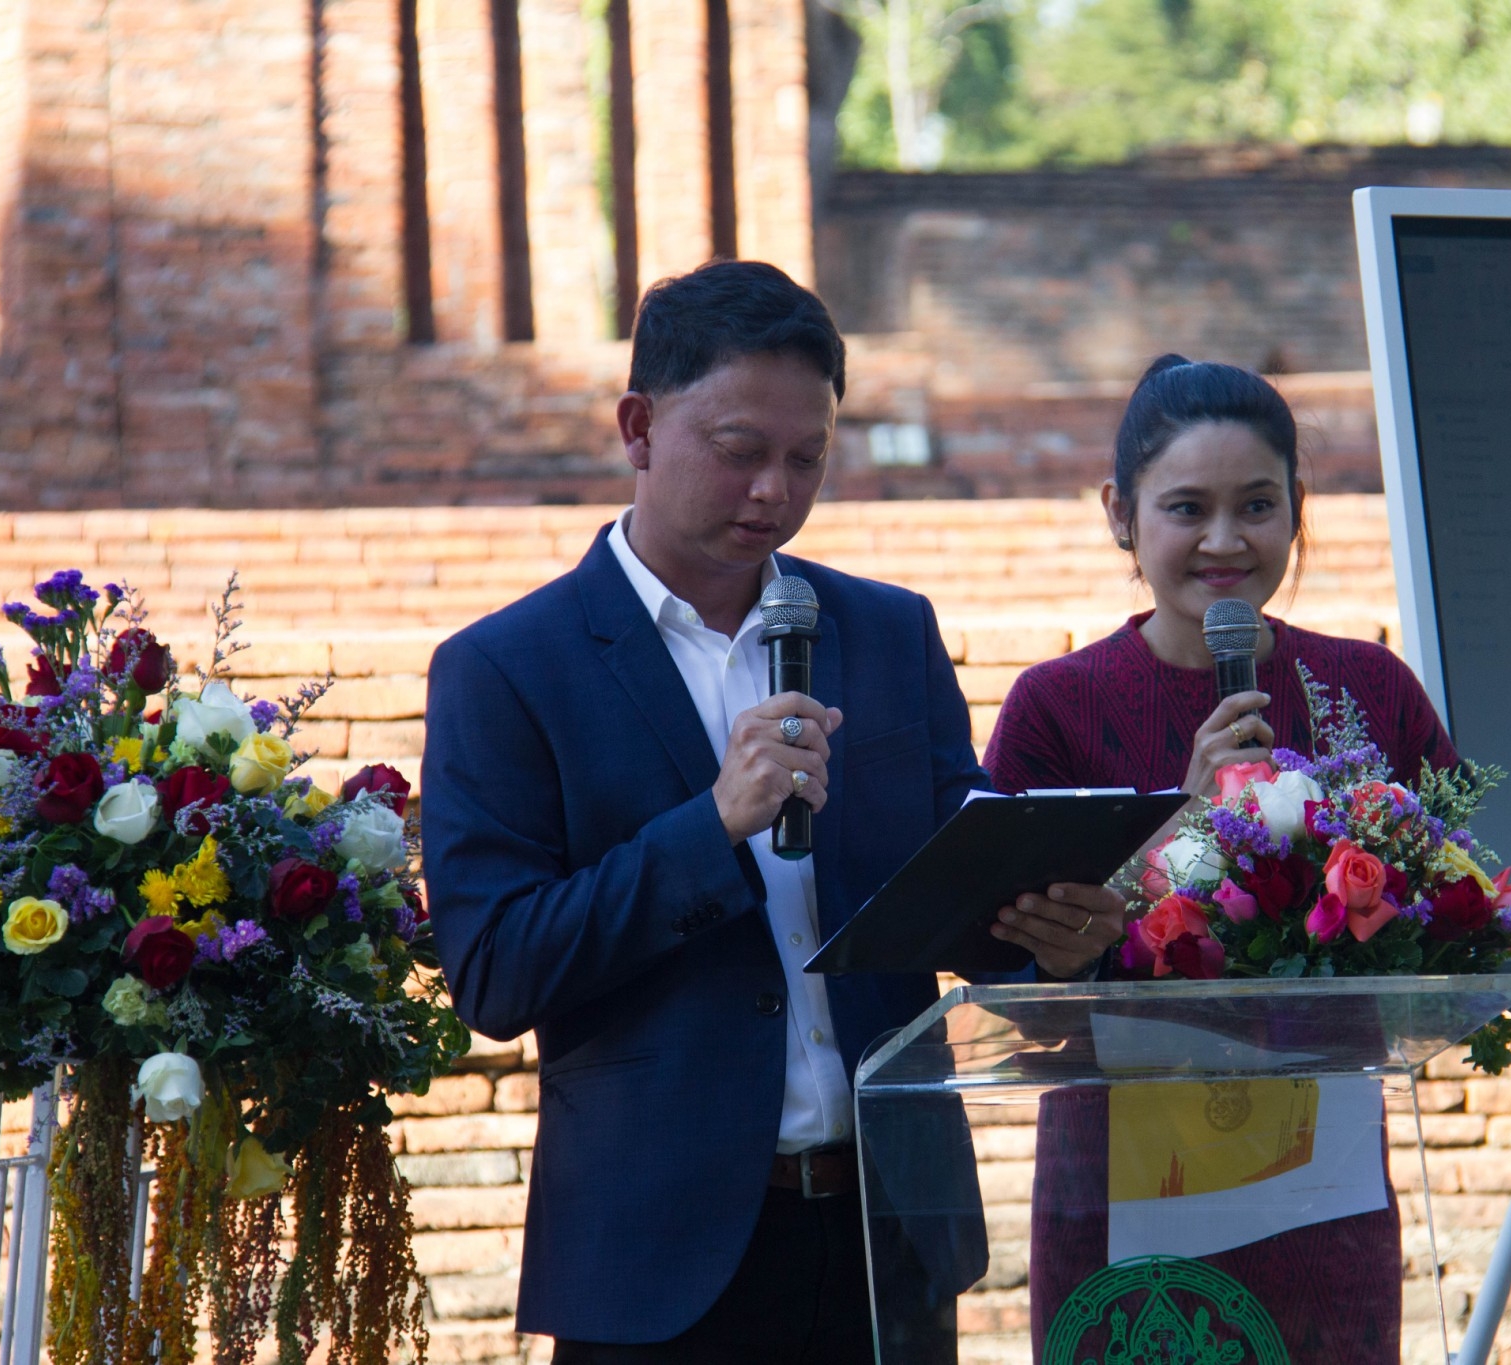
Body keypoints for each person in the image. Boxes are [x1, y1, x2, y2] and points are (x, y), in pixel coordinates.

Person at [421, 261, 1110, 1364]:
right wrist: (711, 825)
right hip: (657, 1258)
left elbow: (953, 881)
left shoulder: (885, 632)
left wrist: (1051, 933)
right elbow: (496, 972)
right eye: (739, 449)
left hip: (887, 1233)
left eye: (807, 458)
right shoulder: (507, 669)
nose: (773, 493)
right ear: (639, 428)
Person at [983, 354, 1462, 1361]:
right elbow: (1007, 976)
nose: (1224, 540)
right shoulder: (1053, 709)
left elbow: (1458, 905)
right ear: (1119, 515)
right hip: (1122, 1192)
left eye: (1255, 505)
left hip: (1320, 1190)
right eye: (1186, 509)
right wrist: (1188, 823)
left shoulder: (1369, 688)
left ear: (1297, 509)